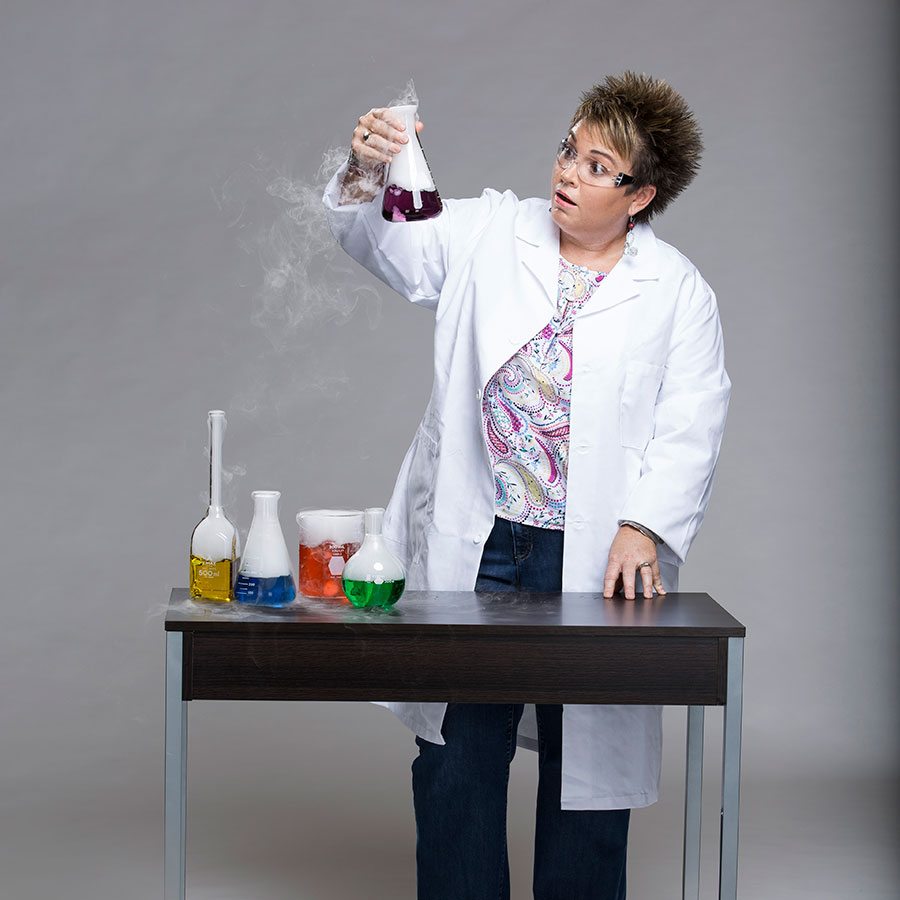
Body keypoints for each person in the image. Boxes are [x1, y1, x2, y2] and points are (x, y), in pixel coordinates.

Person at [323, 72, 730, 900]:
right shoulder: (492, 231)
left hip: (592, 560)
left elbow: (694, 421)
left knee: (585, 776)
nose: (567, 174)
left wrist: (645, 527)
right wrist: (374, 166)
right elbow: (404, 244)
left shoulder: (677, 291)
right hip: (481, 545)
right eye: (567, 150)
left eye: (596, 165)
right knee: (458, 762)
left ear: (642, 193)